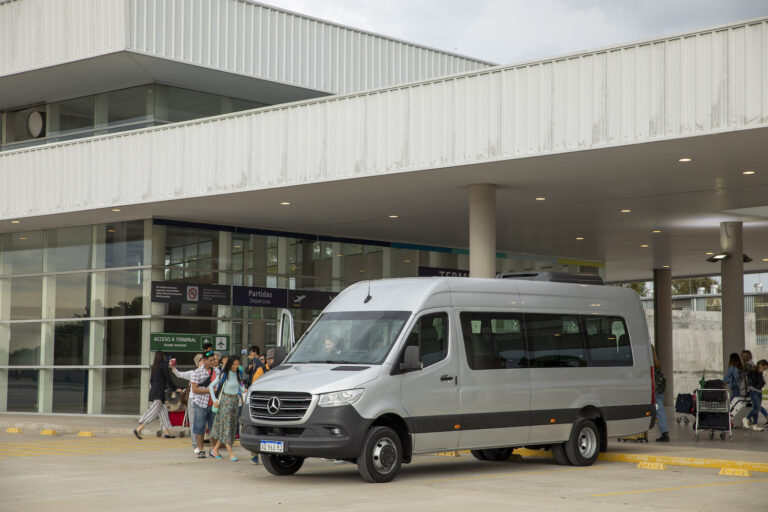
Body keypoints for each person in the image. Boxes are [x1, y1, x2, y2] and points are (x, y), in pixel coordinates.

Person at [133, 351, 179, 439]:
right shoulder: (163, 366)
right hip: (159, 392)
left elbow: (151, 381)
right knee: (153, 411)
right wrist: (175, 389)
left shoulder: (155, 367)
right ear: (162, 356)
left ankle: (167, 432)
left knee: (163, 412)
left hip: (155, 391)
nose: (165, 357)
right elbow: (168, 379)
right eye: (164, 355)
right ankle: (139, 429)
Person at [209, 355, 245, 461]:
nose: (236, 366)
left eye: (237, 364)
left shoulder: (238, 374)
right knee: (227, 427)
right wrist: (214, 400)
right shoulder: (224, 374)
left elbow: (240, 386)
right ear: (229, 364)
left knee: (229, 427)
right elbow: (211, 386)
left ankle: (214, 450)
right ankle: (230, 453)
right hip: (225, 401)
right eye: (234, 364)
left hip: (234, 402)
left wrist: (245, 390)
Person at [170, 353, 204, 453]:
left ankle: (201, 443)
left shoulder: (209, 373)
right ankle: (195, 446)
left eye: (204, 361)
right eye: (201, 361)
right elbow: (180, 374)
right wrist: (173, 368)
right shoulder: (193, 373)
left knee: (202, 423)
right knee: (193, 423)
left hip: (204, 400)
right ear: (197, 363)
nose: (203, 363)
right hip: (193, 399)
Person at [189, 350, 218, 458]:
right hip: (201, 404)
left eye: (214, 360)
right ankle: (201, 450)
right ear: (204, 361)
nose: (213, 362)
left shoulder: (217, 371)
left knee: (213, 428)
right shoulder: (197, 372)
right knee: (200, 427)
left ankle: (213, 449)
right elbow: (195, 389)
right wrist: (210, 391)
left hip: (214, 404)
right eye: (210, 360)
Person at [651, 346, 669, 442]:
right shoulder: (657, 363)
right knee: (660, 410)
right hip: (660, 389)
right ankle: (664, 432)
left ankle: (664, 432)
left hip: (655, 390)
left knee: (659, 410)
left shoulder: (650, 364)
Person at [745, 359, 768, 431]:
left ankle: (755, 424)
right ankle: (746, 418)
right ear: (760, 365)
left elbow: (762, 383)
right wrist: (760, 375)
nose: (764, 370)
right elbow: (756, 382)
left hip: (758, 391)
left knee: (756, 407)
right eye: (764, 368)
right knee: (757, 407)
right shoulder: (753, 372)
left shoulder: (759, 372)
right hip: (753, 391)